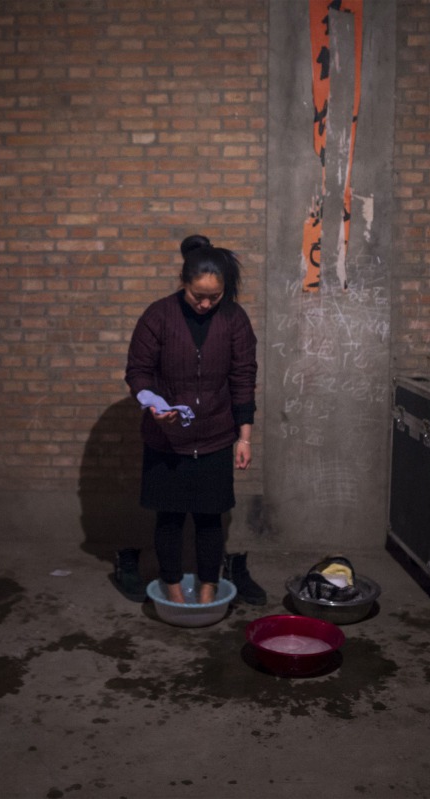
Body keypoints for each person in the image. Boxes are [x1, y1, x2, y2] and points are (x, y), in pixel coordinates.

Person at [122, 234, 267, 605]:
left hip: (216, 436)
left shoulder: (234, 319)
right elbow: (138, 371)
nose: (204, 304)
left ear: (224, 291)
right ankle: (172, 593)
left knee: (209, 519)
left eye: (213, 297)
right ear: (183, 283)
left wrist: (244, 437)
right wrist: (154, 403)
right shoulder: (158, 315)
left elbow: (243, 378)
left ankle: (208, 592)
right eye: (196, 295)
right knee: (169, 518)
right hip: (166, 438)